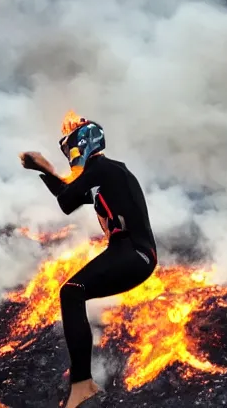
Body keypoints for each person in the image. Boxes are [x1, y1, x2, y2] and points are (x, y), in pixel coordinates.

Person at [20, 112, 157, 408]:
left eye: (71, 151)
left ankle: (82, 385)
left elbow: (67, 199)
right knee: (72, 293)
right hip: (132, 253)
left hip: (133, 252)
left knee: (71, 292)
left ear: (81, 147)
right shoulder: (103, 175)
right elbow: (69, 197)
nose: (71, 159)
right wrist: (43, 170)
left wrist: (44, 166)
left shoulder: (104, 169)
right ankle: (84, 383)